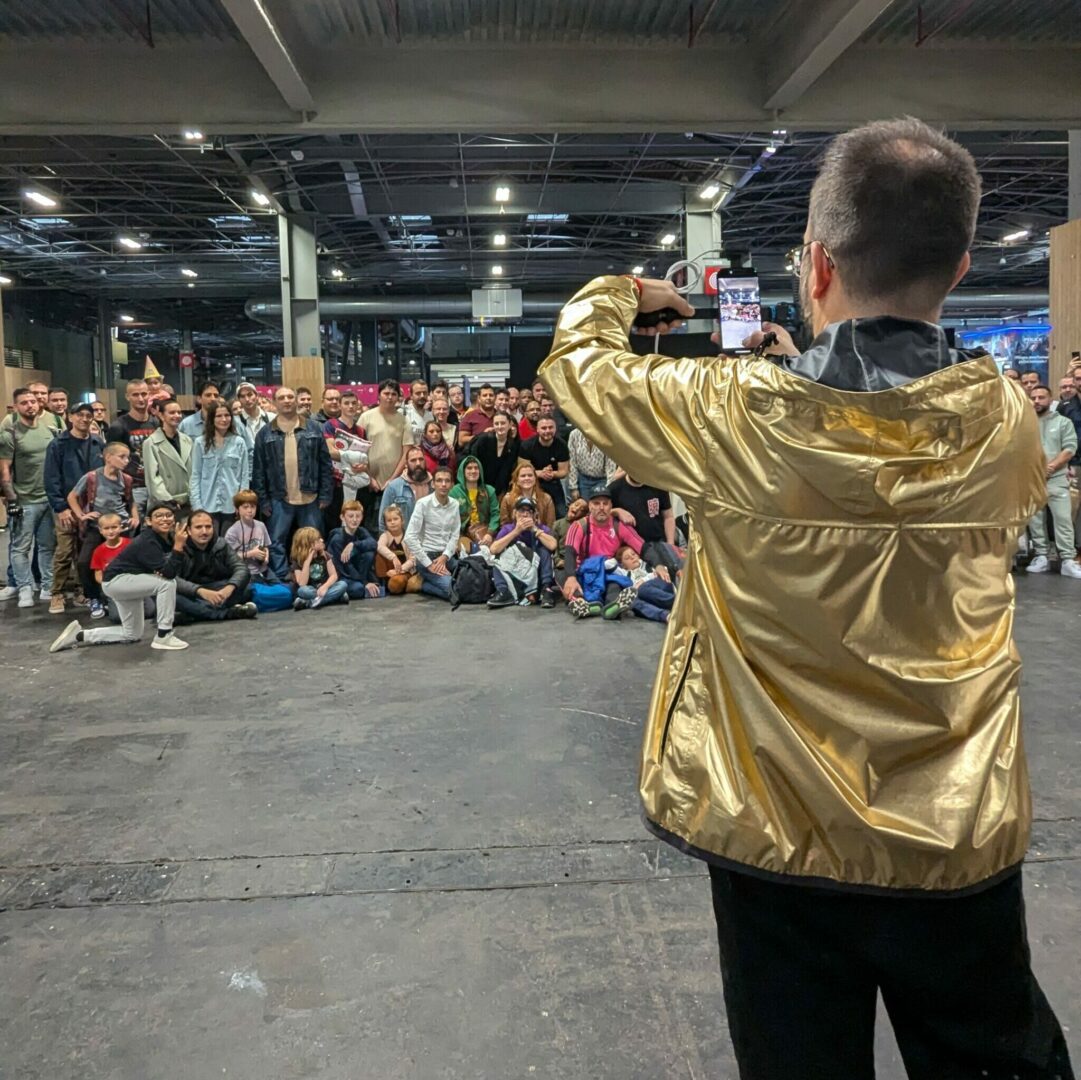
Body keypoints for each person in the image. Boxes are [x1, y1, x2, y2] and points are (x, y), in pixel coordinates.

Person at [540, 118, 1072, 1078]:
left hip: (773, 832)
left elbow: (579, 369)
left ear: (815, 268)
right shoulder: (1004, 420)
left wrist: (622, 291)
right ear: (957, 269)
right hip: (954, 836)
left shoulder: (729, 412)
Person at [49, 504, 189, 653]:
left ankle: (79, 635)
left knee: (132, 634)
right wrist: (179, 546)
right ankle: (164, 635)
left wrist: (177, 546)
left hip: (127, 581)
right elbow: (168, 574)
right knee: (167, 584)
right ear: (148, 521)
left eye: (168, 515)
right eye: (159, 516)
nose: (164, 519)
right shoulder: (147, 540)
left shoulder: (165, 539)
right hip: (117, 581)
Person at [252, 386, 333, 581]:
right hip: (279, 498)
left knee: (314, 542)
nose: (287, 400)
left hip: (311, 497)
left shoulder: (314, 428)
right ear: (275, 402)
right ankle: (282, 579)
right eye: (282, 397)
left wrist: (325, 495)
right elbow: (258, 471)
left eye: (290, 397)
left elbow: (325, 464)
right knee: (276, 542)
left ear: (296, 400)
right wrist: (263, 502)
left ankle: (315, 579)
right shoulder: (264, 433)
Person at [44, 401, 104, 613]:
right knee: (64, 550)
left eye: (88, 415)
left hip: (92, 507)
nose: (84, 419)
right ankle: (57, 593)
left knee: (85, 550)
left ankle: (82, 590)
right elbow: (51, 478)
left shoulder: (97, 443)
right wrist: (60, 507)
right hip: (66, 507)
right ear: (70, 417)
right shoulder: (58, 445)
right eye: (80, 415)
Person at [0, 386, 58, 607]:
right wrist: (11, 499)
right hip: (24, 500)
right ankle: (24, 588)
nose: (30, 405)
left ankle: (47, 586)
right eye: (24, 403)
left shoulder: (49, 430)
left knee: (46, 546)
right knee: (20, 547)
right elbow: (4, 470)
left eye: (33, 401)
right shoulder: (9, 434)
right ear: (16, 407)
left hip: (47, 499)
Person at [69, 441, 137, 620]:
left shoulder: (126, 479)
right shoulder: (92, 477)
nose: (126, 461)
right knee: (85, 562)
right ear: (108, 457)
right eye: (122, 457)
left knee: (122, 562)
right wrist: (81, 515)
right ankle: (93, 598)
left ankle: (121, 596)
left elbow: (131, 501)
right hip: (97, 527)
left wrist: (135, 517)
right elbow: (72, 496)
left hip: (120, 527)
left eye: (127, 457)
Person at [1024, 385, 1080, 577]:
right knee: (1035, 520)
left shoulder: (1063, 422)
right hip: (1031, 479)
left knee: (1063, 519)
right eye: (1034, 398)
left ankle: (1067, 560)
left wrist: (1051, 467)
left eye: (1041, 397)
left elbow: (1070, 448)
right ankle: (1041, 556)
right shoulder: (1024, 424)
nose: (1037, 401)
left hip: (1056, 479)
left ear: (1050, 399)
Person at [560, 489, 642, 620]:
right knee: (569, 583)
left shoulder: (618, 525)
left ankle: (612, 607)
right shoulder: (579, 526)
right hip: (584, 573)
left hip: (608, 572)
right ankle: (581, 603)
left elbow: (642, 547)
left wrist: (659, 565)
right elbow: (570, 552)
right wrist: (571, 577)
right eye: (597, 503)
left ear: (611, 506)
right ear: (590, 506)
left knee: (614, 585)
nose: (601, 507)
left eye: (605, 503)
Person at [173, 509, 256, 622]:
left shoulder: (221, 544)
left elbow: (241, 568)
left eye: (208, 527)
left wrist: (228, 588)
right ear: (189, 530)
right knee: (174, 598)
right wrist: (200, 591)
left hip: (219, 589)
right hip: (193, 592)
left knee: (247, 588)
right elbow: (173, 578)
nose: (204, 532)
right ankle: (228, 613)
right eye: (198, 527)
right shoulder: (179, 546)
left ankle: (196, 614)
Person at [486, 497, 559, 608]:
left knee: (544, 550)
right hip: (516, 572)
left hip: (536, 574)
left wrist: (535, 530)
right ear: (515, 513)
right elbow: (493, 549)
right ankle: (503, 591)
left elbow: (553, 545)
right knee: (498, 556)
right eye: (521, 511)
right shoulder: (508, 528)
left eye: (529, 511)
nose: (525, 515)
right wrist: (516, 531)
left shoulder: (541, 528)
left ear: (535, 515)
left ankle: (546, 590)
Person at [359, 380, 414, 526]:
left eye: (393, 394)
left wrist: (392, 480)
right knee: (369, 524)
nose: (389, 397)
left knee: (394, 524)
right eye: (386, 393)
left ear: (398, 398)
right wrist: (370, 477)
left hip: (395, 482)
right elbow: (357, 450)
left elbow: (406, 453)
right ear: (379, 395)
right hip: (368, 481)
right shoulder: (366, 417)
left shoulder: (404, 421)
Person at [189, 401, 250, 532]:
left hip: (232, 506)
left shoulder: (239, 442)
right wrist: (197, 506)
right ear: (211, 419)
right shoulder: (200, 443)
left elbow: (244, 476)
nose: (224, 419)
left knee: (230, 545)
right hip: (207, 505)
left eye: (227, 415)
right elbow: (195, 475)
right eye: (219, 416)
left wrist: (242, 504)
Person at [403, 465, 460, 600]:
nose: (443, 484)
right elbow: (409, 537)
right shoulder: (423, 504)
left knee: (469, 581)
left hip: (446, 556)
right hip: (427, 557)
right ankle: (423, 585)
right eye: (439, 480)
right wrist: (429, 564)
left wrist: (445, 557)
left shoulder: (455, 504)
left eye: (447, 481)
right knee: (453, 590)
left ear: (452, 484)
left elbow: (455, 535)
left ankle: (426, 581)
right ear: (433, 484)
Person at [608, 474, 682, 574]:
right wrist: (617, 511)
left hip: (660, 542)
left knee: (677, 571)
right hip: (634, 550)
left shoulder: (657, 485)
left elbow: (668, 517)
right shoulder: (615, 488)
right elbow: (598, 515)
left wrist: (670, 544)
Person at [106, 378, 158, 514]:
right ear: (127, 397)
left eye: (144, 394)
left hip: (157, 484)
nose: (141, 399)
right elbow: (111, 462)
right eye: (135, 395)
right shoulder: (118, 426)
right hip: (132, 488)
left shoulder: (158, 424)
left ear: (149, 395)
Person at [322, 389, 369, 535]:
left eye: (353, 403)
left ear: (358, 406)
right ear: (340, 406)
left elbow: (364, 458)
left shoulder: (361, 430)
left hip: (355, 482)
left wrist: (362, 465)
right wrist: (355, 457)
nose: (350, 406)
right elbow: (331, 452)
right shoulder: (330, 425)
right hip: (336, 483)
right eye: (346, 403)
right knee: (336, 524)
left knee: (353, 524)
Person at [142, 399, 194, 514]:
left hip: (188, 501)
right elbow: (152, 478)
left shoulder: (187, 440)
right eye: (172, 413)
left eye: (179, 412)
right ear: (161, 415)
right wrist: (168, 501)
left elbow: (193, 471)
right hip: (164, 503)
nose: (177, 416)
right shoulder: (151, 443)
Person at [328, 499, 382, 599]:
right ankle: (340, 593)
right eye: (350, 516)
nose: (354, 520)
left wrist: (354, 544)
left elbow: (373, 544)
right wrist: (365, 583)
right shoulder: (337, 539)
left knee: (369, 553)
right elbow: (346, 566)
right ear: (342, 517)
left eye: (358, 516)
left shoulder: (361, 531)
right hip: (343, 575)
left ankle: (365, 587)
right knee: (358, 589)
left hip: (357, 573)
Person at [518, 417, 570, 518]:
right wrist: (540, 473)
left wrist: (551, 474)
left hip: (553, 481)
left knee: (562, 514)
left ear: (555, 429)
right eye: (544, 428)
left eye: (550, 427)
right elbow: (522, 470)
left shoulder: (562, 445)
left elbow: (563, 471)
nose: (547, 431)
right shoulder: (527, 445)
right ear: (537, 429)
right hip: (532, 483)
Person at [224, 489, 275, 583]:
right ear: (237, 509)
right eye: (245, 507)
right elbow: (229, 558)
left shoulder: (261, 525)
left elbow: (266, 546)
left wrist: (266, 557)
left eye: (253, 507)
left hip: (263, 570)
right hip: (245, 573)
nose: (250, 510)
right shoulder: (232, 531)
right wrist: (251, 553)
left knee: (285, 592)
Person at [449, 455, 499, 548]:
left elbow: (495, 514)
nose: (473, 471)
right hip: (462, 534)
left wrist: (490, 533)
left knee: (491, 550)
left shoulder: (489, 490)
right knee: (468, 552)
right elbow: (449, 518)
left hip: (485, 532)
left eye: (476, 468)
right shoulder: (454, 492)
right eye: (469, 468)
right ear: (463, 472)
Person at [616, 544, 676, 624]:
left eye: (633, 554)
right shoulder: (624, 574)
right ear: (623, 565)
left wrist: (644, 580)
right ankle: (666, 616)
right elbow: (608, 565)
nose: (632, 557)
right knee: (633, 601)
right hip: (650, 598)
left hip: (661, 587)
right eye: (627, 558)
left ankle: (677, 601)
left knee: (642, 588)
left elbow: (663, 570)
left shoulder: (646, 565)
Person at [290, 526, 347, 609]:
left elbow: (334, 576)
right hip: (310, 589)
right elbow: (302, 583)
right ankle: (334, 598)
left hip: (325, 587)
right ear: (308, 544)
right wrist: (307, 561)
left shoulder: (325, 555)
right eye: (317, 540)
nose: (322, 540)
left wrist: (325, 587)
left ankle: (309, 602)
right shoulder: (297, 560)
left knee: (343, 584)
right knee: (302, 591)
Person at [86, 511, 130, 619]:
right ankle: (106, 603)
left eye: (114, 527)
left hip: (131, 584)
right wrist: (110, 586)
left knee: (149, 611)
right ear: (100, 530)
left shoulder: (130, 544)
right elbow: (98, 576)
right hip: (113, 588)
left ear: (121, 527)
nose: (110, 531)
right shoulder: (98, 551)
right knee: (116, 617)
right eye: (106, 528)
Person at [378, 446, 430, 532]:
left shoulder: (434, 486)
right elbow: (382, 522)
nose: (418, 463)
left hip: (429, 539)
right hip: (402, 541)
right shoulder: (393, 487)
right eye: (413, 460)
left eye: (421, 459)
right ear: (406, 464)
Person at [468, 410, 518, 496]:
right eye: (496, 423)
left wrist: (495, 493)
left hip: (498, 488)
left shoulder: (513, 445)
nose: (499, 426)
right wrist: (480, 487)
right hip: (478, 483)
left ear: (510, 425)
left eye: (503, 423)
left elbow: (505, 471)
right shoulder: (483, 439)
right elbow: (473, 463)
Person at [376, 504, 420, 594]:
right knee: (379, 556)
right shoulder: (385, 535)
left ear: (402, 520)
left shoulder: (409, 537)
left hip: (405, 571)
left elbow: (413, 559)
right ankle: (382, 583)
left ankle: (406, 584)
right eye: (389, 520)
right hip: (388, 571)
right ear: (386, 524)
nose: (392, 522)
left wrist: (398, 571)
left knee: (395, 584)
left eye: (395, 519)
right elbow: (379, 546)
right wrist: (393, 557)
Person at [499, 462, 555, 529]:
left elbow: (550, 526)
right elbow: (504, 526)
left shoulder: (546, 498)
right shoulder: (507, 499)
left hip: (540, 536)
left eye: (530, 475)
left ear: (535, 479)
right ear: (517, 480)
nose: (527, 478)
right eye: (523, 476)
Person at [567, 427, 616, 503]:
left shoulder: (607, 436)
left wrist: (608, 489)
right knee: (584, 508)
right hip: (583, 479)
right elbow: (572, 462)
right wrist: (573, 487)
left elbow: (610, 467)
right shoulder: (574, 435)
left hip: (602, 480)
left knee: (599, 507)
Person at [552, 497, 588, 572]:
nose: (577, 508)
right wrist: (557, 560)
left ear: (584, 515)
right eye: (576, 504)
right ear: (570, 505)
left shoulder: (584, 526)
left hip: (579, 563)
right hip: (562, 562)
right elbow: (554, 548)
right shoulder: (558, 524)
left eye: (582, 510)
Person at [457, 383, 496, 448]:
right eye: (485, 395)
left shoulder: (501, 415)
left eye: (491, 395)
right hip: (476, 456)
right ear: (479, 398)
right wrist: (482, 436)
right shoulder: (469, 416)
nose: (488, 398)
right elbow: (461, 441)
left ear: (495, 397)